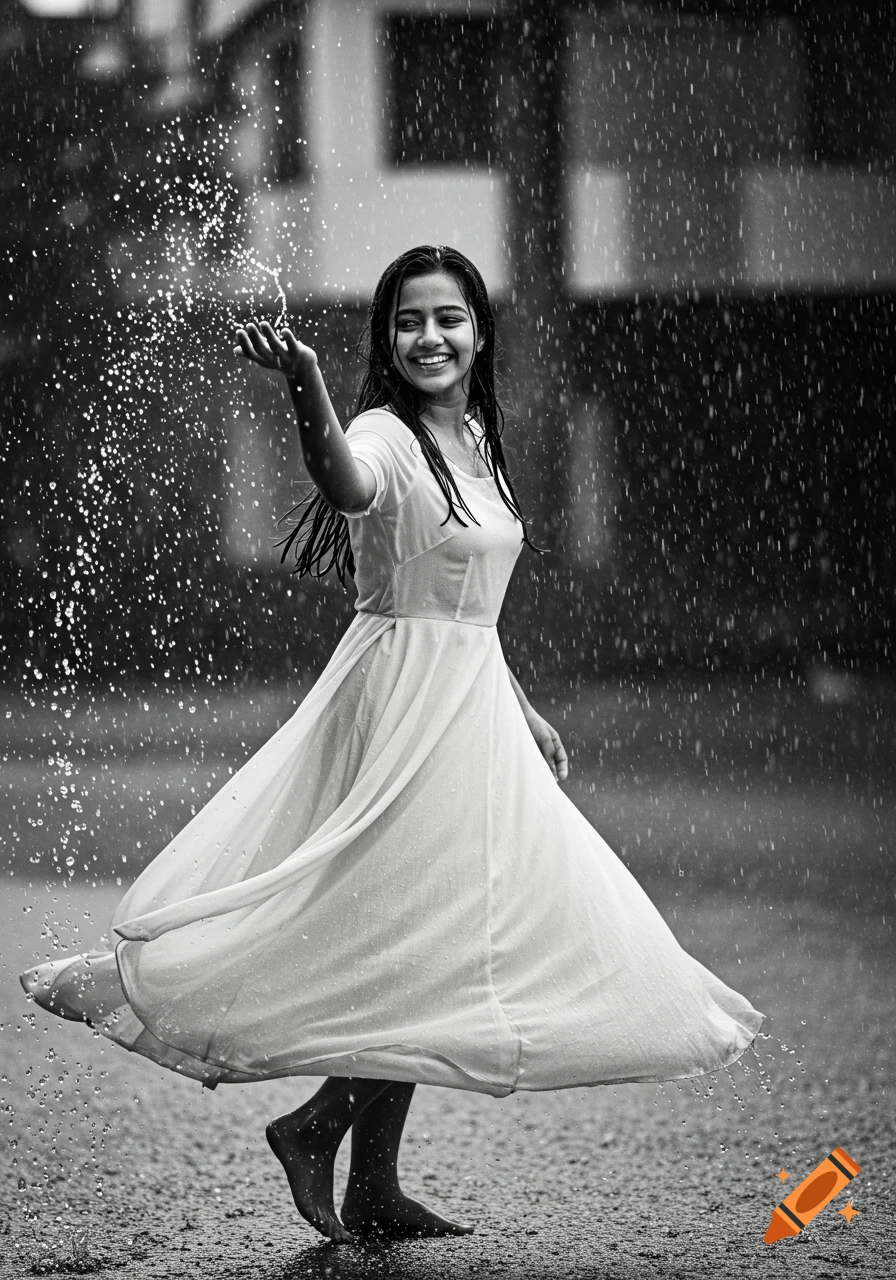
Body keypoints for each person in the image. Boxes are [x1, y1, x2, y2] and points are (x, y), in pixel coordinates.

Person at [21, 245, 765, 1246]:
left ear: (477, 331)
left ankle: (368, 1177)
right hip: (399, 711)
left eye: (447, 317)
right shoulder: (380, 430)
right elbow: (343, 482)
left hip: (470, 708)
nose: (428, 335)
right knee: (421, 930)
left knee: (432, 934)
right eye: (408, 320)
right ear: (386, 337)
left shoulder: (478, 443)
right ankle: (319, 1124)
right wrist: (307, 385)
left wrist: (522, 702)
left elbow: (468, 608)